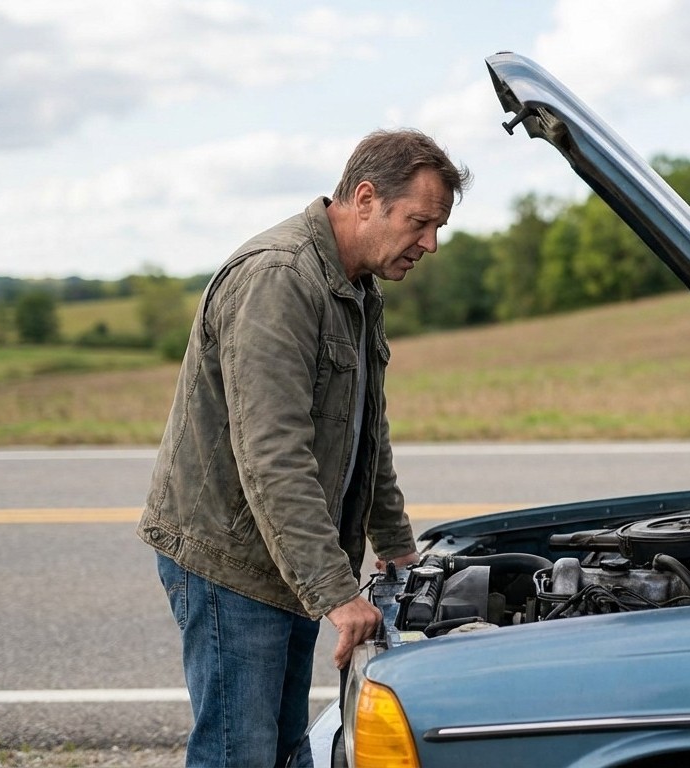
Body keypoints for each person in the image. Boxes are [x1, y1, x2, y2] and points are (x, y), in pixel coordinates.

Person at [138, 129, 470, 767]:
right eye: (421, 222)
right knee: (240, 755)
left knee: (288, 751)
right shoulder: (280, 279)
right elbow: (272, 453)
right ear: (366, 198)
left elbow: (368, 436)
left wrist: (397, 548)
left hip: (286, 557)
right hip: (232, 563)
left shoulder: (357, 286)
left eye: (438, 226)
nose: (430, 243)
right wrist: (335, 591)